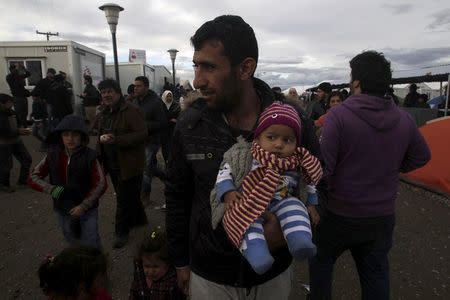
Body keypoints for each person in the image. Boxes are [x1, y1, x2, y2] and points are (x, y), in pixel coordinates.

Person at [166, 15, 320, 299]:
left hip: (272, 276)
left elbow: (320, 184)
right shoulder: (189, 125)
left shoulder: (294, 122)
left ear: (245, 68)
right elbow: (177, 196)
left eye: (209, 67)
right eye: (196, 66)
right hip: (210, 275)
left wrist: (292, 229)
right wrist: (180, 261)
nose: (198, 80)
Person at [309, 50, 431, 299]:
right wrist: (393, 167)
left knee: (321, 262)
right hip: (381, 217)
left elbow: (323, 169)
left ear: (356, 82)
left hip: (337, 214)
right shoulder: (404, 119)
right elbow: (422, 156)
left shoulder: (338, 116)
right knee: (375, 276)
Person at [212, 102, 322, 275]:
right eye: (271, 137)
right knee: (244, 221)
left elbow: (311, 182)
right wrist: (227, 192)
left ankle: (300, 240)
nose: (279, 144)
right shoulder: (246, 155)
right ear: (257, 138)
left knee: (295, 207)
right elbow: (225, 172)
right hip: (251, 201)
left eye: (287, 140)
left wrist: (312, 202)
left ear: (296, 143)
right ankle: (257, 253)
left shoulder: (297, 161)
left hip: (282, 201)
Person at [28, 115, 106, 248]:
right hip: (63, 209)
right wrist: (51, 189)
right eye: (66, 134)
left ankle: (97, 268)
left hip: (87, 210)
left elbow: (101, 183)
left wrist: (83, 206)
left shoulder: (90, 156)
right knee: (72, 241)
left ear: (82, 136)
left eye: (75, 135)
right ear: (60, 136)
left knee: (91, 244)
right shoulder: (52, 155)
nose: (70, 139)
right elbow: (33, 177)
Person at [96, 79, 148, 249]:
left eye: (109, 91)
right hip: (112, 163)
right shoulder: (105, 112)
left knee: (123, 199)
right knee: (128, 194)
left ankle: (121, 232)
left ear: (118, 92)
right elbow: (99, 135)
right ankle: (140, 219)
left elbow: (142, 134)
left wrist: (116, 140)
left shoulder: (132, 110)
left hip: (129, 163)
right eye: (103, 92)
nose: (106, 95)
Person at [132, 76, 168, 203]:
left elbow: (163, 123)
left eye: (138, 86)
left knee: (145, 168)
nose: (135, 88)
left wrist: (144, 125)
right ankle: (169, 179)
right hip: (138, 140)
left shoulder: (155, 102)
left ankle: (145, 196)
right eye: (135, 86)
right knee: (151, 167)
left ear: (146, 87)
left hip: (151, 141)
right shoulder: (134, 101)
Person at [129, 228, 186, 299]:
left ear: (167, 264)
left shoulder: (173, 285)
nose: (150, 271)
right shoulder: (140, 274)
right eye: (146, 266)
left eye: (155, 267)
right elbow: (134, 291)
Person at [38, 246, 111, 300]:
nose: (106, 279)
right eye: (102, 276)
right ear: (81, 288)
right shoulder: (100, 296)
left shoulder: (100, 295)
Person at [0, 94, 32, 193]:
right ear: (1, 104)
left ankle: (22, 181)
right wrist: (18, 131)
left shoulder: (11, 112)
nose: (12, 104)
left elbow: (19, 122)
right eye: (9, 103)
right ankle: (4, 184)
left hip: (16, 140)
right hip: (4, 143)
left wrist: (24, 127)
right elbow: (3, 131)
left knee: (27, 159)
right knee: (7, 165)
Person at [160, 90, 181, 166]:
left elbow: (180, 116)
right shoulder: (160, 105)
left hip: (173, 129)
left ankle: (172, 162)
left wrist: (176, 120)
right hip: (163, 130)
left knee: (172, 147)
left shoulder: (176, 105)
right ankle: (167, 162)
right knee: (165, 147)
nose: (169, 98)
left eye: (170, 96)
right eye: (167, 96)